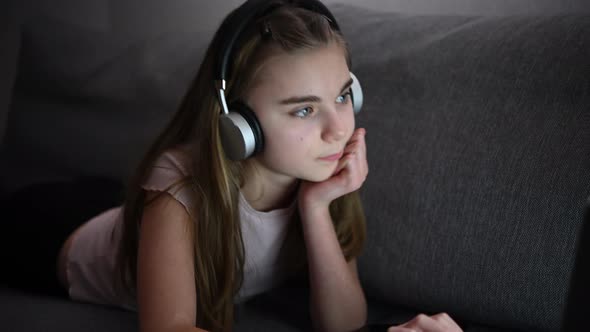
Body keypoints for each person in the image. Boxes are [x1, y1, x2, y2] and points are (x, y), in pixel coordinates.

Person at [32, 0, 461, 331]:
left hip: (121, 210)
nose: (338, 129)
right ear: (240, 125)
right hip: (56, 234)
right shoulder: (180, 185)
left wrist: (316, 208)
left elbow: (344, 324)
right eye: (304, 111)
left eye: (343, 96)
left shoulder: (316, 170)